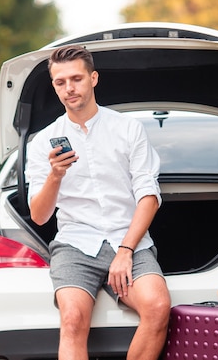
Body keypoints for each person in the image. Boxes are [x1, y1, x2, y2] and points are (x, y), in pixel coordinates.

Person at [26, 45, 170, 360]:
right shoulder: (42, 143)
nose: (69, 88)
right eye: (60, 82)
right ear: (54, 85)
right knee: (73, 319)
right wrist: (55, 175)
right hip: (75, 246)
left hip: (129, 241)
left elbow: (149, 196)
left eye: (76, 79)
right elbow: (39, 216)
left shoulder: (128, 129)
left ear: (93, 78)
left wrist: (126, 250)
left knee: (158, 307)